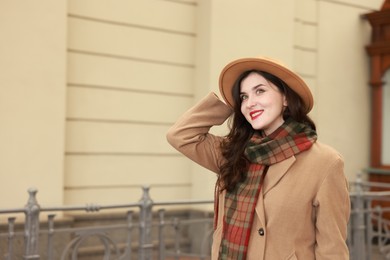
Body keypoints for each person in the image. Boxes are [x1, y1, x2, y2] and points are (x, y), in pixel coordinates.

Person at [166, 56, 350, 259]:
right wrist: (228, 104)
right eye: (243, 97)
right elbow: (180, 135)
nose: (250, 103)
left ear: (286, 98)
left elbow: (332, 249)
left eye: (260, 91)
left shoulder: (325, 163)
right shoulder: (233, 153)